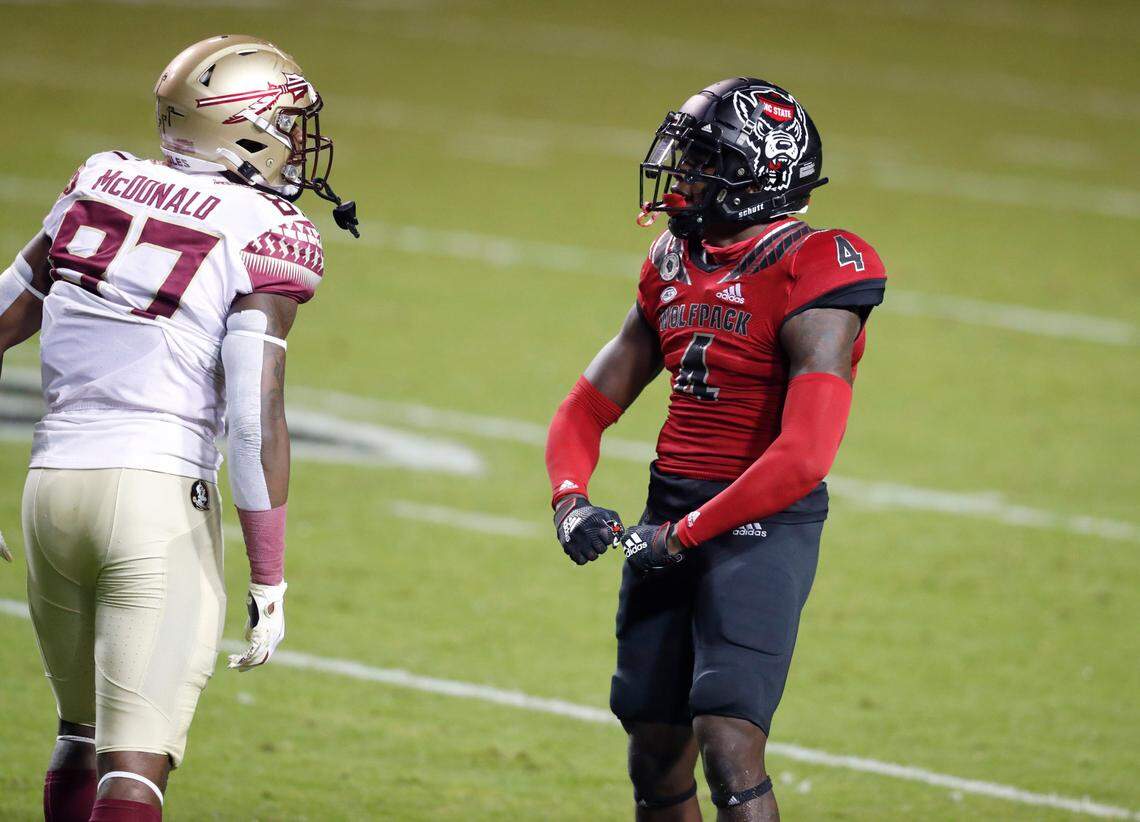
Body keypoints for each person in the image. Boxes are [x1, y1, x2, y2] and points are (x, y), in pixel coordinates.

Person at [0, 34, 357, 822]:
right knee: (134, 768)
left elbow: (0, 316)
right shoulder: (268, 228)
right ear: (244, 127)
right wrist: (270, 576)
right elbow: (253, 411)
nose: (299, 142)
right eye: (287, 122)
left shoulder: (101, 176)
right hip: (153, 498)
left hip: (49, 490)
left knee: (80, 735)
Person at [545, 77, 886, 821]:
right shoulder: (674, 260)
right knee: (654, 746)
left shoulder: (817, 271)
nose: (684, 176)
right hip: (672, 508)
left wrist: (689, 534)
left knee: (729, 740)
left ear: (758, 176)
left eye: (705, 162)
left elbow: (804, 457)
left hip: (761, 523)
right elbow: (585, 408)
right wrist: (570, 499)